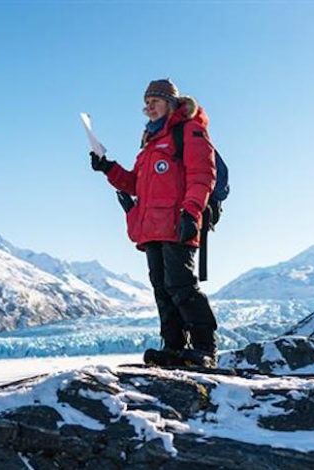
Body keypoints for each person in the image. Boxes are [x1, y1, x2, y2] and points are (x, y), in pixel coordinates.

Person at [90, 78, 218, 368]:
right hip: (152, 227)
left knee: (181, 285)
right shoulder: (150, 142)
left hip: (178, 222)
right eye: (146, 103)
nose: (149, 108)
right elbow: (135, 184)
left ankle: (204, 347)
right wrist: (108, 168)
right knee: (162, 288)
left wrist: (191, 212)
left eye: (155, 102)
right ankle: (173, 347)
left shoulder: (189, 131)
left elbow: (202, 175)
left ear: (170, 103)